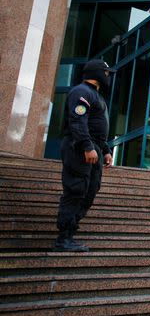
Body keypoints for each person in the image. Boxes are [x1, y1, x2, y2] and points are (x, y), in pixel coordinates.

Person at [54, 60, 116, 252]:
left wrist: (105, 150)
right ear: (97, 73)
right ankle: (63, 238)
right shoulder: (81, 92)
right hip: (78, 147)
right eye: (106, 73)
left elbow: (96, 128)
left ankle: (71, 230)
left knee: (90, 190)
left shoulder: (96, 96)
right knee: (76, 189)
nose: (108, 76)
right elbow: (78, 121)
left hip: (94, 148)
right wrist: (86, 146)